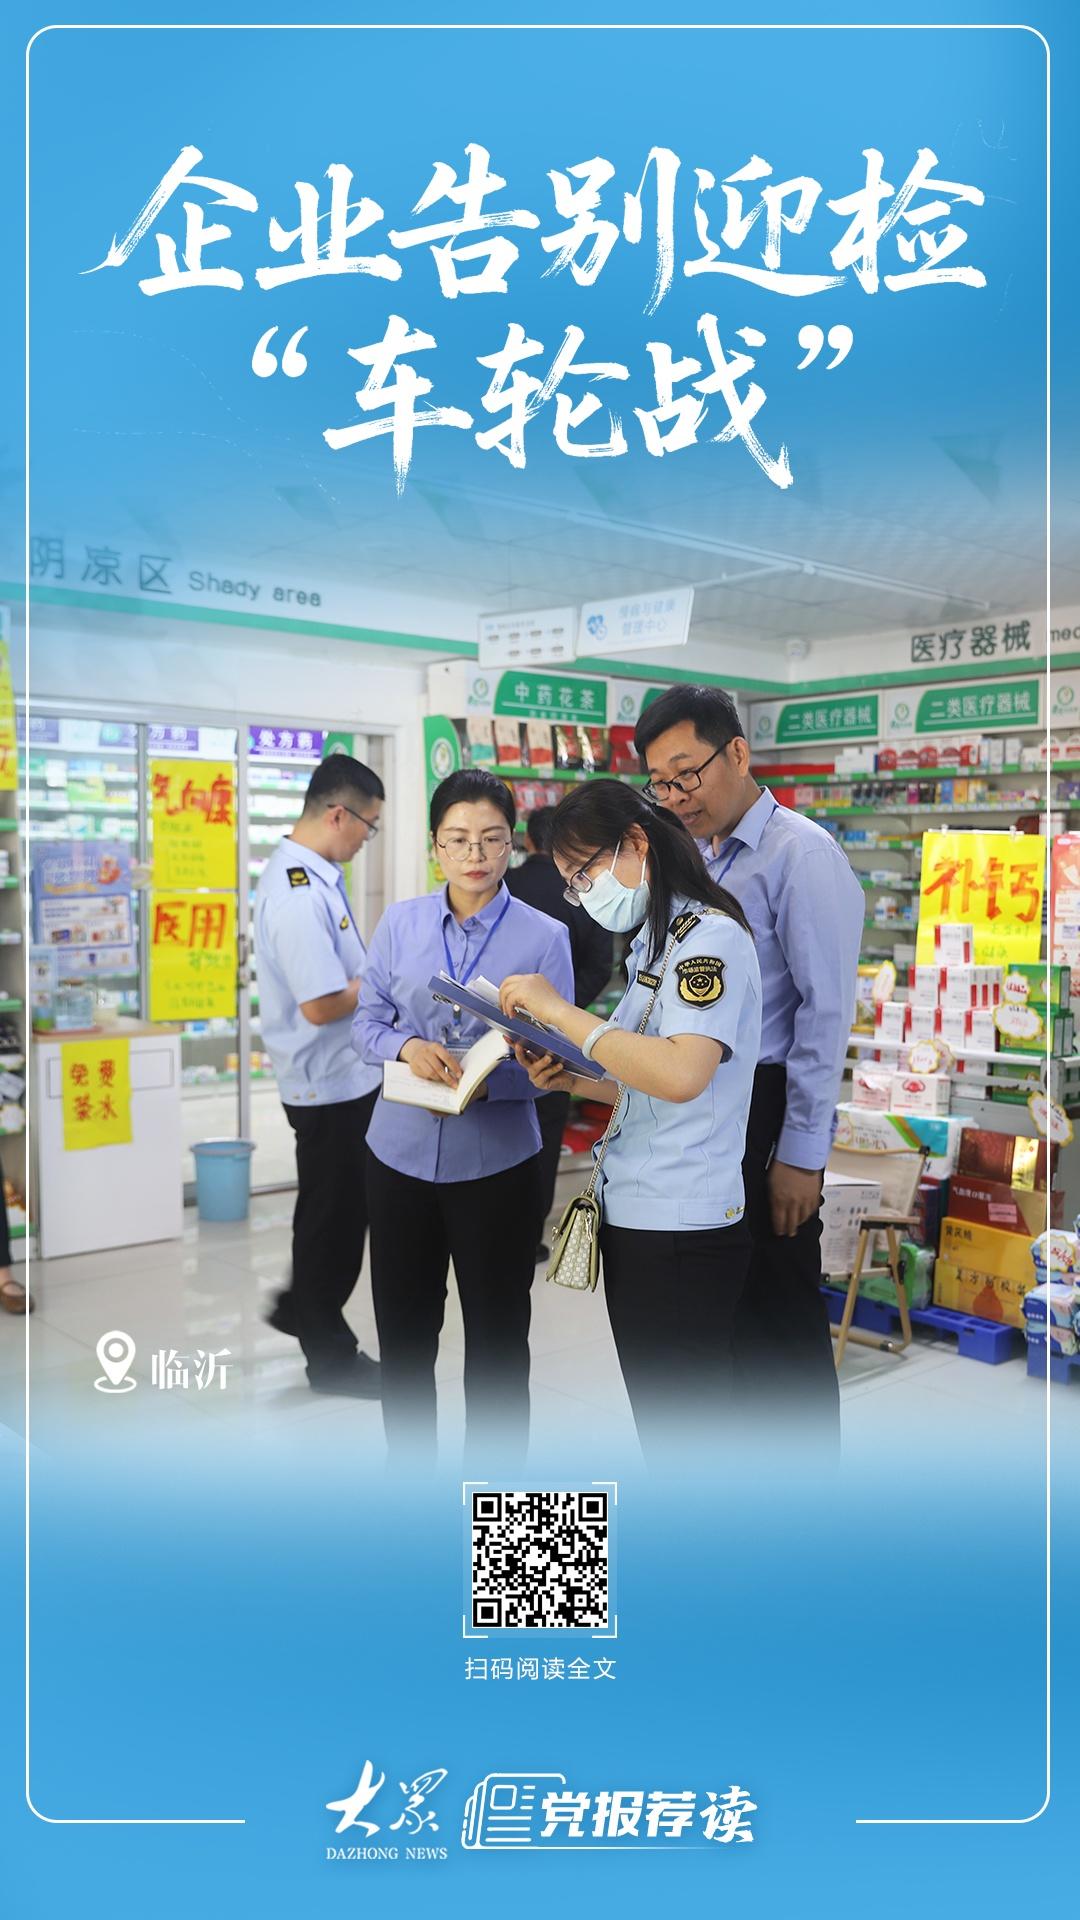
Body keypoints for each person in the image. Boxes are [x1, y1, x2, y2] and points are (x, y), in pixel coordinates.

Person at [500, 779, 761, 1464]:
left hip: (683, 1221)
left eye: (583, 874)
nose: (583, 894)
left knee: (687, 1435)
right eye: (571, 884)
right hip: (640, 1210)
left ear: (636, 843)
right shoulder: (655, 943)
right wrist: (571, 1075)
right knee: (665, 1424)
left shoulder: (710, 941)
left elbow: (682, 1073)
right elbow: (637, 1072)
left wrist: (559, 1011)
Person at [633, 686, 864, 1439]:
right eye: (659, 783)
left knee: (779, 1325)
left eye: (686, 774)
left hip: (765, 1109)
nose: (675, 796)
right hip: (701, 1108)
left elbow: (824, 1017)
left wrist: (801, 1155)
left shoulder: (802, 855)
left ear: (737, 752)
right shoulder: (689, 857)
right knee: (719, 1320)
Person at [354, 769, 573, 1469]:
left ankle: (497, 1500)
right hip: (398, 1159)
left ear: (513, 844)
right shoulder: (401, 923)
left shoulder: (545, 936)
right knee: (404, 1336)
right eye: (457, 839)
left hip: (499, 1165)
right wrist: (406, 1047)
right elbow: (365, 1023)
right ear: (435, 846)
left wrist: (497, 1081)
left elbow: (560, 1060)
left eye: (491, 839)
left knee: (499, 1341)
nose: (474, 854)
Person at [253, 753, 385, 1399]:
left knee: (333, 1211)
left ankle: (299, 1306)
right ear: (338, 814)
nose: (367, 837)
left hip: (339, 1078)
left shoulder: (312, 876)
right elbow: (322, 1003)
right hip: (326, 1084)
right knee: (333, 1221)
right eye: (369, 825)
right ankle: (328, 1357)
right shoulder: (299, 895)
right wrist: (383, 980)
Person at [506, 805, 613, 1260]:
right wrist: (563, 1011)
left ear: (527, 841)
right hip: (559, 1036)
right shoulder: (584, 889)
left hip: (498, 1027)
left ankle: (490, 1230)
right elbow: (601, 965)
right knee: (547, 1129)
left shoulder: (503, 884)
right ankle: (529, 1236)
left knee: (497, 1123)